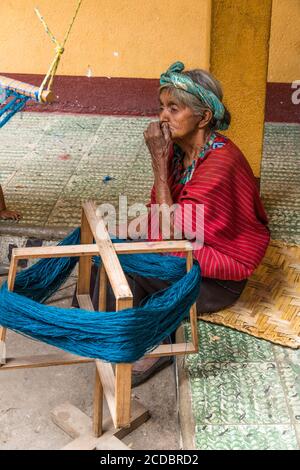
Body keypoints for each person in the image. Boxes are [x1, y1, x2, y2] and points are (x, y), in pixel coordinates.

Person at [78, 61, 270, 386]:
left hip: (215, 279)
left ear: (204, 117)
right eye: (162, 107)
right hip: (184, 249)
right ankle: (111, 331)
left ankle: (155, 343)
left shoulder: (220, 163)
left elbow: (172, 234)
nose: (163, 116)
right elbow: (158, 215)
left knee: (128, 266)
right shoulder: (181, 153)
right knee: (105, 251)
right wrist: (113, 231)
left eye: (174, 108)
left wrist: (157, 164)